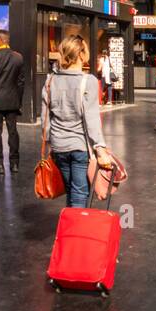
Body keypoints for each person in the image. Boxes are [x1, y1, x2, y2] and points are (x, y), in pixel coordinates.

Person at [42, 34, 114, 209]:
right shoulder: (87, 81)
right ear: (82, 54)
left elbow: (45, 118)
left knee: (71, 190)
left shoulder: (50, 80)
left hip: (58, 146)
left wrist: (49, 142)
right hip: (79, 146)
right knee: (80, 193)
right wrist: (100, 147)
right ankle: (76, 233)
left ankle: (70, 228)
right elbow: (91, 118)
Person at [0, 29, 25, 174]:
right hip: (12, 101)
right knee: (13, 132)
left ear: (0, 40)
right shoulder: (18, 57)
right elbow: (21, 82)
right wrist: (18, 101)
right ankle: (14, 164)